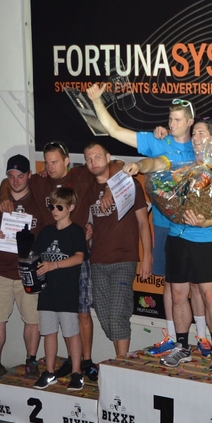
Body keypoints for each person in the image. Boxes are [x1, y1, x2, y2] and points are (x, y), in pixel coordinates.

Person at [87, 84, 208, 351]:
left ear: (190, 122)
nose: (172, 124)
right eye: (170, 119)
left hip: (197, 226)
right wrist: (97, 101)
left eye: (178, 119)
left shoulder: (201, 145)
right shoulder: (158, 142)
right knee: (170, 285)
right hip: (165, 226)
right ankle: (174, 339)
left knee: (198, 286)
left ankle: (203, 338)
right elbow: (115, 131)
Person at [0, 141, 121, 383]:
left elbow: (117, 164)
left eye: (55, 162)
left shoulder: (81, 174)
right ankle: (65, 365)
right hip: (50, 256)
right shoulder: (40, 181)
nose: (50, 167)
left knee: (81, 313)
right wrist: (4, 197)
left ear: (67, 161)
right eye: (47, 162)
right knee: (53, 319)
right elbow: (7, 181)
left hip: (76, 252)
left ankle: (85, 363)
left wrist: (109, 189)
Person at [124, 117, 212, 369]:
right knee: (177, 295)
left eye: (201, 133)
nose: (196, 138)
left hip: (205, 240)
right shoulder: (180, 165)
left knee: (209, 295)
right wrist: (142, 168)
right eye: (194, 134)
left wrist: (205, 222)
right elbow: (155, 167)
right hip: (176, 238)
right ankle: (182, 347)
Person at [0, 155, 46, 385]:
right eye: (11, 176)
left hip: (30, 271)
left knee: (33, 319)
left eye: (20, 176)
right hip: (2, 270)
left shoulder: (38, 199)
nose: (16, 181)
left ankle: (32, 361)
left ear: (29, 175)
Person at [84, 142, 152, 358]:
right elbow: (87, 222)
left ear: (108, 157)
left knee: (117, 316)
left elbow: (143, 223)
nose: (93, 162)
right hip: (97, 260)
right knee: (105, 318)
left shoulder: (129, 184)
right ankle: (122, 362)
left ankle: (121, 365)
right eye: (88, 159)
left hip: (124, 259)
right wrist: (87, 231)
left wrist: (147, 256)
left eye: (97, 157)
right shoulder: (87, 188)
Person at [30, 188, 88, 391]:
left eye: (59, 207)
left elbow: (79, 257)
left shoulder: (76, 231)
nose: (54, 210)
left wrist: (53, 265)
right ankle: (49, 371)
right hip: (47, 291)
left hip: (67, 291)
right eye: (52, 206)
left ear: (71, 207)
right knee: (49, 332)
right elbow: (34, 255)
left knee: (71, 332)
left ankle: (77, 372)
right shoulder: (46, 231)